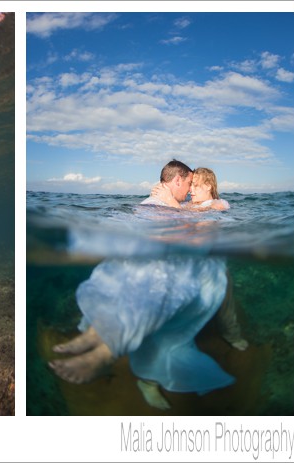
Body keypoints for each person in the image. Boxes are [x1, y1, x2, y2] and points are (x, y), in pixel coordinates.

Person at [49, 160, 237, 410]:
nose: (191, 190)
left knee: (163, 290)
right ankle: (99, 333)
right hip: (181, 258)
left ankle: (112, 352)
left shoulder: (216, 203)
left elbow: (202, 226)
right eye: (190, 184)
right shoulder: (186, 205)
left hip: (202, 263)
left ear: (209, 186)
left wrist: (172, 205)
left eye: (196, 185)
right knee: (130, 273)